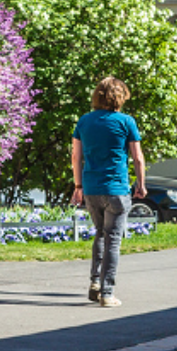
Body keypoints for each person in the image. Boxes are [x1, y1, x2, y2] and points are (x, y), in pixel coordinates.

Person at [71, 76, 145, 307]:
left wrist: (78, 187)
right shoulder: (126, 122)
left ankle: (95, 282)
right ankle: (107, 293)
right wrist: (141, 184)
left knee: (100, 234)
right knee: (113, 239)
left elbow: (75, 156)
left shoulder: (84, 122)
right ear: (119, 97)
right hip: (117, 189)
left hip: (92, 188)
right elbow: (138, 158)